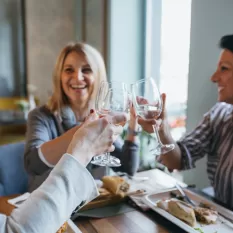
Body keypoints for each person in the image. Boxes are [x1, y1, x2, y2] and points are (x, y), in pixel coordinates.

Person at [24, 42, 140, 192]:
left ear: (98, 76)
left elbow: (127, 167)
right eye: (69, 70)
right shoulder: (41, 116)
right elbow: (32, 164)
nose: (78, 78)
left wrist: (133, 127)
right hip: (51, 206)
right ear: (59, 76)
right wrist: (86, 132)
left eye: (86, 70)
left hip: (92, 207)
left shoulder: (101, 116)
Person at [139, 34, 233, 208]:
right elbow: (176, 160)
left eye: (224, 69)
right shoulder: (219, 116)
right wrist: (162, 129)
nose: (214, 77)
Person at [0, 112, 125, 233]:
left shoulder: (102, 119)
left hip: (89, 210)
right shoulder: (42, 116)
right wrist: (82, 146)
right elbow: (32, 164)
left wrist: (133, 132)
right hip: (49, 210)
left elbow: (125, 163)